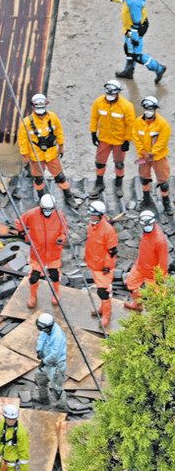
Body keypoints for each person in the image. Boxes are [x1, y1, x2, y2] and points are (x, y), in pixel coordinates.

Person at [104, 0, 167, 82]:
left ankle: (158, 68)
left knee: (136, 55)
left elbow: (136, 22)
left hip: (135, 30)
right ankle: (129, 71)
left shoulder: (133, 2)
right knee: (129, 49)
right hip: (131, 29)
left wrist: (134, 37)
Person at [16, 193, 68, 308]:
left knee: (54, 274)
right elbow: (19, 222)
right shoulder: (31, 214)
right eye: (46, 209)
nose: (48, 211)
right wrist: (23, 234)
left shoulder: (59, 216)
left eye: (50, 209)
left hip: (53, 251)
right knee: (34, 277)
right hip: (37, 251)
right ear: (41, 206)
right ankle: (33, 296)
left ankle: (56, 293)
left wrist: (61, 238)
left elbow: (64, 231)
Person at [88, 80, 136, 199]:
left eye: (113, 95)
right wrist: (93, 133)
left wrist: (127, 140)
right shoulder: (98, 102)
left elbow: (131, 125)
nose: (110, 97)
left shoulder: (127, 106)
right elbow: (94, 117)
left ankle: (118, 184)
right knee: (99, 163)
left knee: (119, 164)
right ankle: (99, 184)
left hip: (119, 141)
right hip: (104, 139)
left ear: (118, 93)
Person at [18, 93, 71, 198]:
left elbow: (59, 132)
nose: (40, 113)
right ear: (33, 107)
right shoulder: (27, 122)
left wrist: (61, 147)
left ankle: (68, 196)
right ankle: (41, 197)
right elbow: (22, 140)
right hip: (36, 156)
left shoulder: (52, 117)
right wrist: (25, 155)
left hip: (51, 154)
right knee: (38, 178)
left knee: (60, 176)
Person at [84, 200, 119, 329]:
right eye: (91, 215)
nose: (91, 217)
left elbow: (112, 252)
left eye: (93, 215)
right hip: (94, 263)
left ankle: (106, 316)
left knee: (103, 291)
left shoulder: (108, 231)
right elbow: (91, 243)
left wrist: (107, 267)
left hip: (103, 267)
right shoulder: (91, 225)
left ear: (100, 215)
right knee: (100, 290)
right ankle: (102, 309)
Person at [125, 209, 170, 311]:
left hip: (153, 274)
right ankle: (138, 305)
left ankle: (159, 320)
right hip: (140, 266)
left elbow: (163, 262)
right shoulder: (146, 231)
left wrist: (160, 279)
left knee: (158, 299)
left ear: (154, 222)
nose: (147, 227)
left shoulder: (160, 241)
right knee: (131, 283)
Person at [134, 96, 171, 212]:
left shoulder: (163, 124)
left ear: (155, 110)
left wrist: (152, 153)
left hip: (158, 157)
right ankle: (146, 200)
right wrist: (142, 152)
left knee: (163, 182)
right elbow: (136, 137)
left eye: (151, 109)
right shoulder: (138, 122)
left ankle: (166, 203)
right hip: (143, 156)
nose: (149, 111)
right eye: (146, 109)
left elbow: (162, 141)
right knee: (144, 179)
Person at [35, 313, 68, 408]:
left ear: (48, 327)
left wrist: (44, 362)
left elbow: (55, 355)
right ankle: (44, 399)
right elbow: (41, 338)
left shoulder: (57, 336)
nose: (41, 330)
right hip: (46, 361)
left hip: (56, 365)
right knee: (40, 379)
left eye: (42, 329)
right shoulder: (45, 329)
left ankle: (61, 406)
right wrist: (39, 350)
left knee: (57, 387)